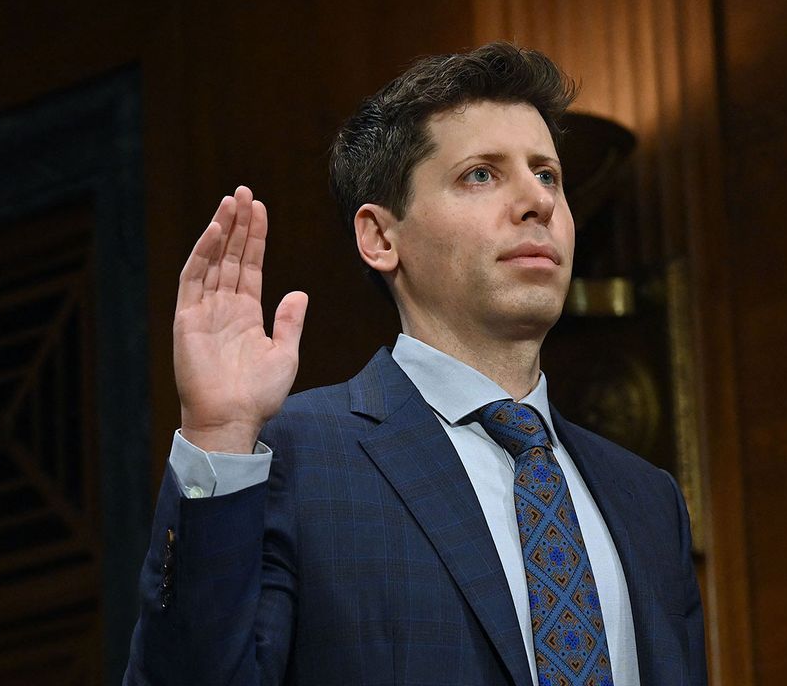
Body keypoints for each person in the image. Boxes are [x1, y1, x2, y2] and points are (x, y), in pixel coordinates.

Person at [124, 42, 706, 685]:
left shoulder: (648, 500)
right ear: (380, 236)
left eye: (547, 175)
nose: (536, 202)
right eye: (481, 174)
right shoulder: (293, 457)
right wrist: (218, 436)